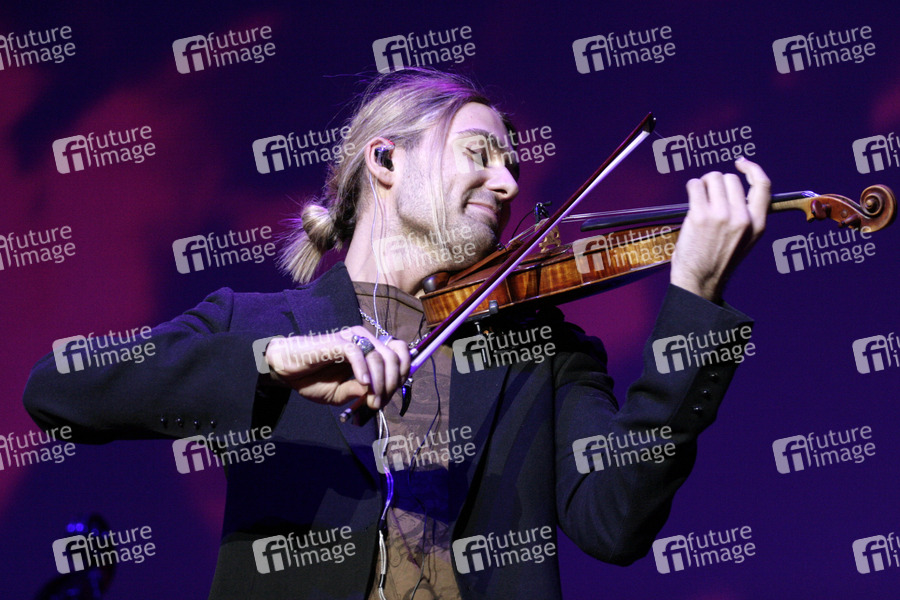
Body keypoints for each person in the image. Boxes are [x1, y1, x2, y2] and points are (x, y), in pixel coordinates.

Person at [24, 68, 770, 599]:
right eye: (480, 154)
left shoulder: (541, 348)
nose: (510, 184)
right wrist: (270, 362)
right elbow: (59, 389)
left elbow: (615, 521)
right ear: (385, 160)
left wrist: (695, 301)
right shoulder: (256, 324)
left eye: (511, 164)